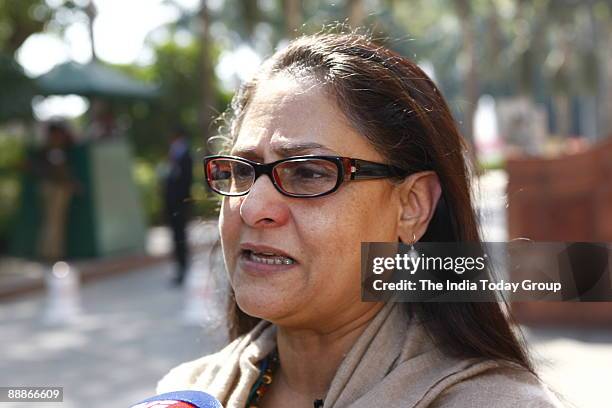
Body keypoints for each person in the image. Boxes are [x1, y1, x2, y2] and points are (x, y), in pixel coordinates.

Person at [157, 33, 563, 407]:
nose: (251, 206)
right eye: (242, 170)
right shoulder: (186, 393)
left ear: (412, 206)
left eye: (308, 172)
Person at [163, 126, 194, 286]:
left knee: (180, 236)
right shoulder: (175, 154)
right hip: (173, 203)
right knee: (177, 236)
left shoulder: (185, 155)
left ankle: (183, 268)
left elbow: (183, 181)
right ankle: (180, 267)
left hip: (179, 204)